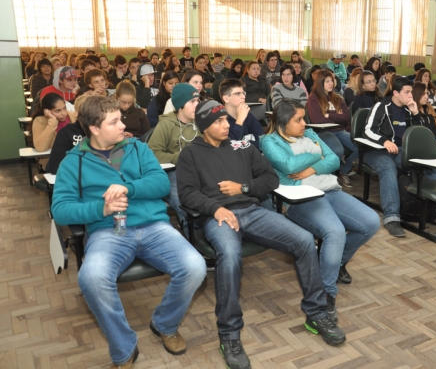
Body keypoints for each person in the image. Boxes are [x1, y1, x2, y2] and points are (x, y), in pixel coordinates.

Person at [176, 100, 346, 369]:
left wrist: (243, 187)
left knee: (303, 240)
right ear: (204, 127)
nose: (226, 125)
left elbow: (270, 179)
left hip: (251, 211)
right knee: (230, 256)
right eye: (219, 122)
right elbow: (186, 193)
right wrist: (215, 207)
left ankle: (316, 313)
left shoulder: (240, 146)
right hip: (218, 217)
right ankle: (229, 335)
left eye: (226, 120)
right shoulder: (190, 154)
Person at [50, 96, 206, 368]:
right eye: (115, 121)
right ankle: (124, 348)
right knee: (92, 277)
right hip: (109, 232)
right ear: (94, 128)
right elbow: (61, 210)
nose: (124, 125)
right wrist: (102, 210)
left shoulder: (137, 148)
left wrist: (129, 189)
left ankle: (164, 324)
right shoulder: (73, 163)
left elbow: (160, 183)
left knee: (195, 266)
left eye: (121, 118)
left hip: (154, 226)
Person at [260, 99, 380, 322]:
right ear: (283, 122)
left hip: (328, 189)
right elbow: (288, 166)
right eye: (298, 120)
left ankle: (336, 262)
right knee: (334, 232)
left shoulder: (311, 135)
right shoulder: (269, 141)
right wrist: (317, 155)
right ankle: (326, 293)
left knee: (371, 222)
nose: (304, 124)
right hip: (301, 198)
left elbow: (335, 159)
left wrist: (312, 168)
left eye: (303, 118)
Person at [363, 76, 436, 237]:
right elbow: (368, 130)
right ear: (395, 92)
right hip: (376, 150)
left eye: (411, 91)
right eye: (407, 92)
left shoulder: (410, 109)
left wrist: (416, 114)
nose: (410, 95)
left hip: (401, 151)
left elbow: (423, 135)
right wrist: (384, 141)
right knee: (388, 169)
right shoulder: (382, 106)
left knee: (427, 165)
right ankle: (392, 218)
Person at [148, 83, 200, 222]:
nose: (197, 105)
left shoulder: (199, 123)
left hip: (198, 169)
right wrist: (182, 158)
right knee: (184, 202)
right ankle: (191, 233)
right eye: (192, 102)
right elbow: (152, 153)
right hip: (173, 171)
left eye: (198, 101)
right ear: (180, 105)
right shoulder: (166, 124)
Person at [306, 69, 358, 187]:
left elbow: (345, 118)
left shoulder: (338, 98)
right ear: (320, 83)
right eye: (327, 81)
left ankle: (343, 171)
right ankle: (330, 176)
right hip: (323, 132)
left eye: (332, 81)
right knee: (338, 151)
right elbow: (317, 120)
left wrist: (329, 114)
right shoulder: (313, 98)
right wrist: (337, 116)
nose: (331, 84)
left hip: (339, 130)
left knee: (360, 147)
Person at [31, 93, 78, 170]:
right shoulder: (40, 121)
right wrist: (52, 123)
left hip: (75, 159)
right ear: (47, 111)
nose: (64, 113)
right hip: (54, 163)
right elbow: (40, 148)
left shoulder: (73, 116)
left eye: (64, 108)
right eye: (58, 111)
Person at [47, 96, 89, 174]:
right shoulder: (66, 133)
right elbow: (55, 166)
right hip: (76, 176)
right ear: (76, 114)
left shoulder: (104, 132)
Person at [220, 78, 265, 147]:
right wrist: (240, 121)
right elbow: (229, 147)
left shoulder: (248, 116)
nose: (243, 97)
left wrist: (244, 144)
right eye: (237, 94)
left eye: (243, 93)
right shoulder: (220, 120)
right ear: (226, 98)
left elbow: (263, 141)